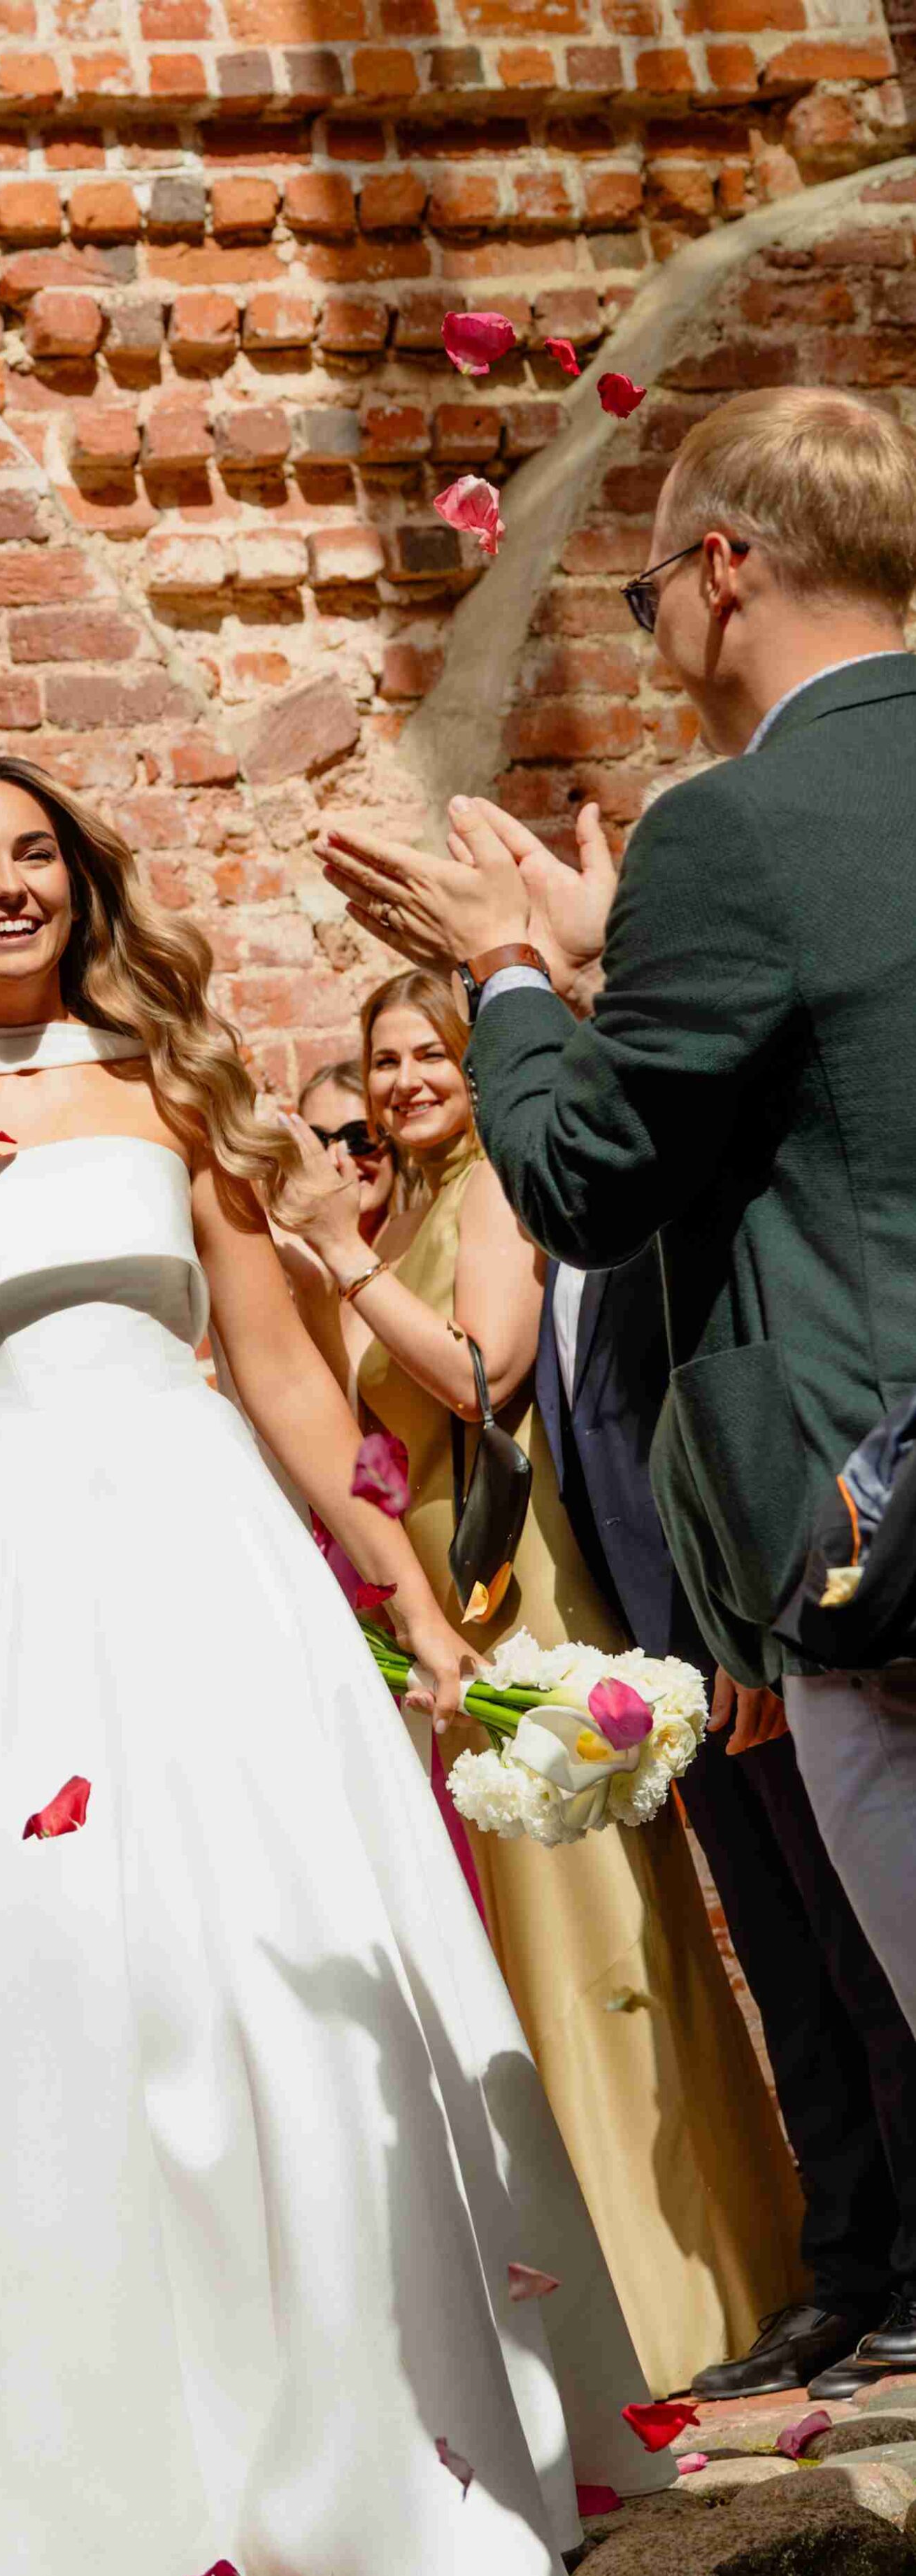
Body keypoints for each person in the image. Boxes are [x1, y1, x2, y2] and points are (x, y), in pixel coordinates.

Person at [0, 594, 675, 2576]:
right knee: (55, 1969)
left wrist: (414, 1624)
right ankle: (66, 2463)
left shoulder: (161, 1084)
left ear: (71, 886)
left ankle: (356, 2437)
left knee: (266, 1962)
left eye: (32, 854)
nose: (4, 885)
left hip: (211, 1577)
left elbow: (281, 1380)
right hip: (10, 1585)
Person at [323, 385, 916, 2372]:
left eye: (656, 577)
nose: (655, 618)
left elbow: (582, 1180)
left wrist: (504, 973)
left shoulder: (727, 830)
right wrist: (600, 979)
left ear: (728, 568)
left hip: (880, 1531)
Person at [275, 968, 802, 2393]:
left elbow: (483, 1370)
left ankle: (673, 2288)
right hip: (435, 1603)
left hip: (518, 1593)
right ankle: (582, 2298)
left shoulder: (495, 1188)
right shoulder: (402, 1205)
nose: (396, 1081)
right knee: (510, 1958)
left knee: (594, 1938)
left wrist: (352, 1263)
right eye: (376, 1061)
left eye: (423, 1052)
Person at [534, 1242, 916, 2402]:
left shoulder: (666, 1210)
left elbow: (724, 1403)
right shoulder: (548, 1243)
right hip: (664, 1658)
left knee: (861, 1959)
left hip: (743, 1632)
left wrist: (742, 1620)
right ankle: (847, 2265)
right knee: (785, 1971)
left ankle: (910, 2262)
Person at [278, 1057, 396, 1397]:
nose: (337, 1158)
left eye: (359, 1138)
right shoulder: (289, 1264)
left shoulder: (425, 1247)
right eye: (316, 1140)